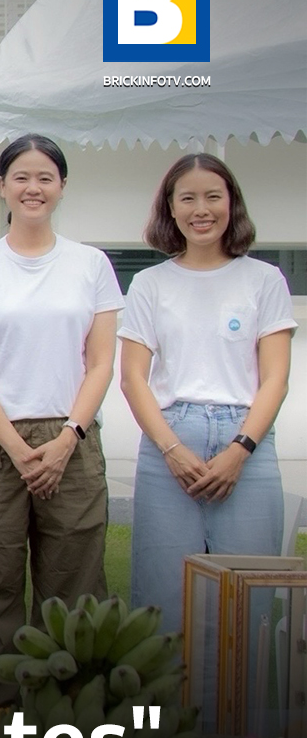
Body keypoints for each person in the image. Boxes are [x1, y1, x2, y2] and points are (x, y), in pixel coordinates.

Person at [0, 134, 123, 695]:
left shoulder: (91, 265)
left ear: (62, 186)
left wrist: (68, 437)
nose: (33, 187)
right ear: (1, 186)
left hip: (70, 435)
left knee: (75, 573)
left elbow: (100, 363)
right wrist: (18, 449)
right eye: (21, 177)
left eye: (46, 177)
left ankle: (70, 699)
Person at [120, 154, 294, 627]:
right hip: (169, 442)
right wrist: (172, 450)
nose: (202, 209)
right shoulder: (149, 284)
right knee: (162, 601)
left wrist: (240, 450)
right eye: (188, 198)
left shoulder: (264, 279)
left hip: (247, 442)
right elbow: (133, 378)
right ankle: (166, 683)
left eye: (213, 197)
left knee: (248, 600)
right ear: (170, 208)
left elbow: (275, 379)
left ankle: (236, 683)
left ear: (231, 203)